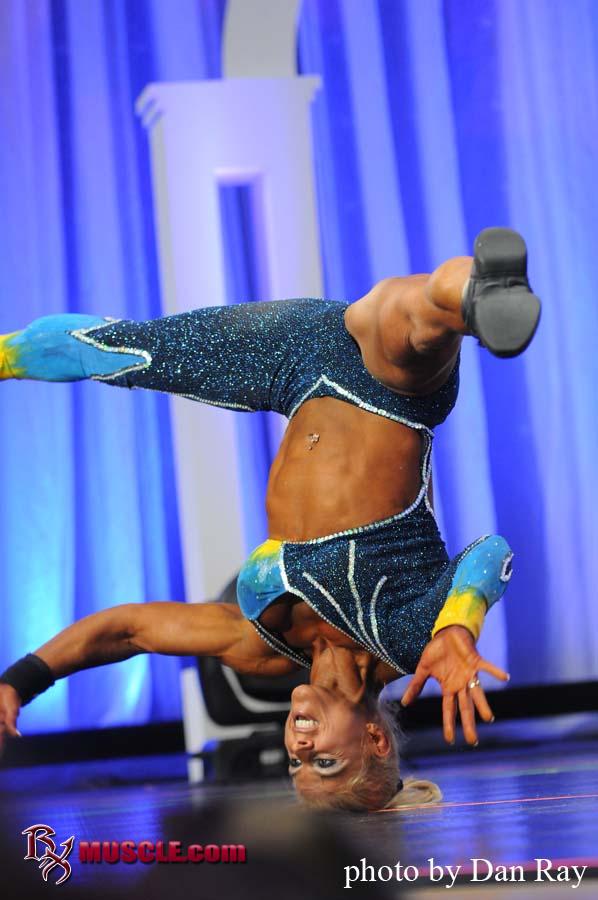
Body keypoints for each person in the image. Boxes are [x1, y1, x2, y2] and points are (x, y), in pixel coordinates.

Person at [0, 227, 540, 811]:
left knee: (119, 351)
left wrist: (18, 682)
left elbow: (128, 630)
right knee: (414, 315)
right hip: (389, 390)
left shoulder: (265, 646)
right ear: (376, 740)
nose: (300, 746)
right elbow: (492, 552)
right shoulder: (404, 640)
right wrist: (457, 628)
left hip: (294, 368)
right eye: (324, 760)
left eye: (295, 762)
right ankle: (481, 291)